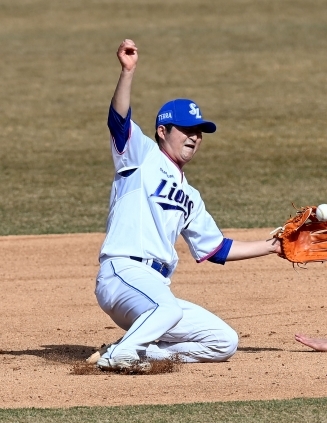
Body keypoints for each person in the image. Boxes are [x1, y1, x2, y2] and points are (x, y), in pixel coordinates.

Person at [94, 39, 282, 371]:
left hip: (154, 291)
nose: (194, 137)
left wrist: (271, 246)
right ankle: (117, 355)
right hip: (123, 274)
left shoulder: (191, 196)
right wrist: (128, 72)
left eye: (199, 132)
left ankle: (139, 351)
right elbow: (119, 119)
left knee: (224, 341)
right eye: (187, 130)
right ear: (162, 131)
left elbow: (217, 249)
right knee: (168, 310)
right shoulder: (140, 155)